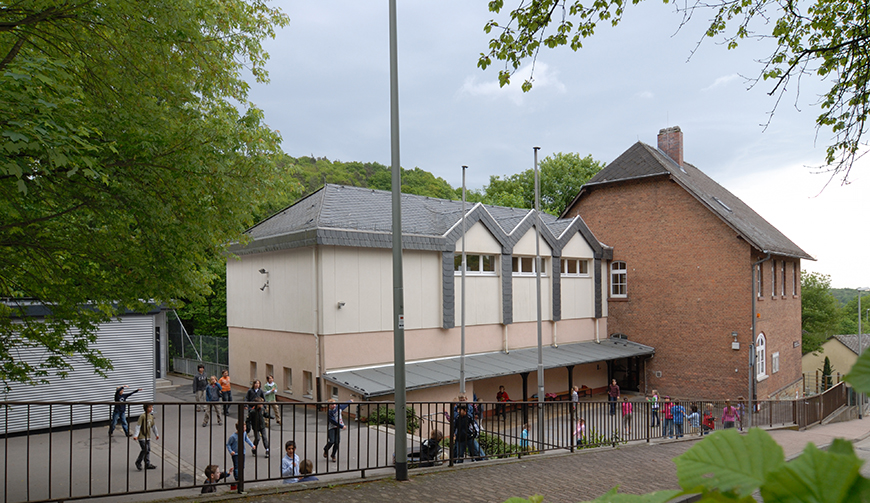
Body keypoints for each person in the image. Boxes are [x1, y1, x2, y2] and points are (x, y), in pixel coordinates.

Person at [323, 397, 353, 462]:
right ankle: (326, 449)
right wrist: (342, 426)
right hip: (332, 428)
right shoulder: (329, 413)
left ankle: (333, 455)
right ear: (329, 406)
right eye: (332, 405)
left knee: (337, 442)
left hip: (338, 428)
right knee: (331, 441)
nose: (334, 405)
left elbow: (344, 405)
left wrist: (350, 401)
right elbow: (333, 421)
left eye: (334, 404)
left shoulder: (338, 408)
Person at [134, 403, 159, 471]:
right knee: (145, 449)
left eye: (152, 407)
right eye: (150, 407)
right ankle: (138, 462)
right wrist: (136, 435)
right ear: (146, 408)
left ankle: (147, 464)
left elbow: (153, 426)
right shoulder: (142, 416)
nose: (151, 409)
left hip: (148, 436)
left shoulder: (151, 417)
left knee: (148, 450)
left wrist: (156, 434)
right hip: (142, 436)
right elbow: (138, 426)